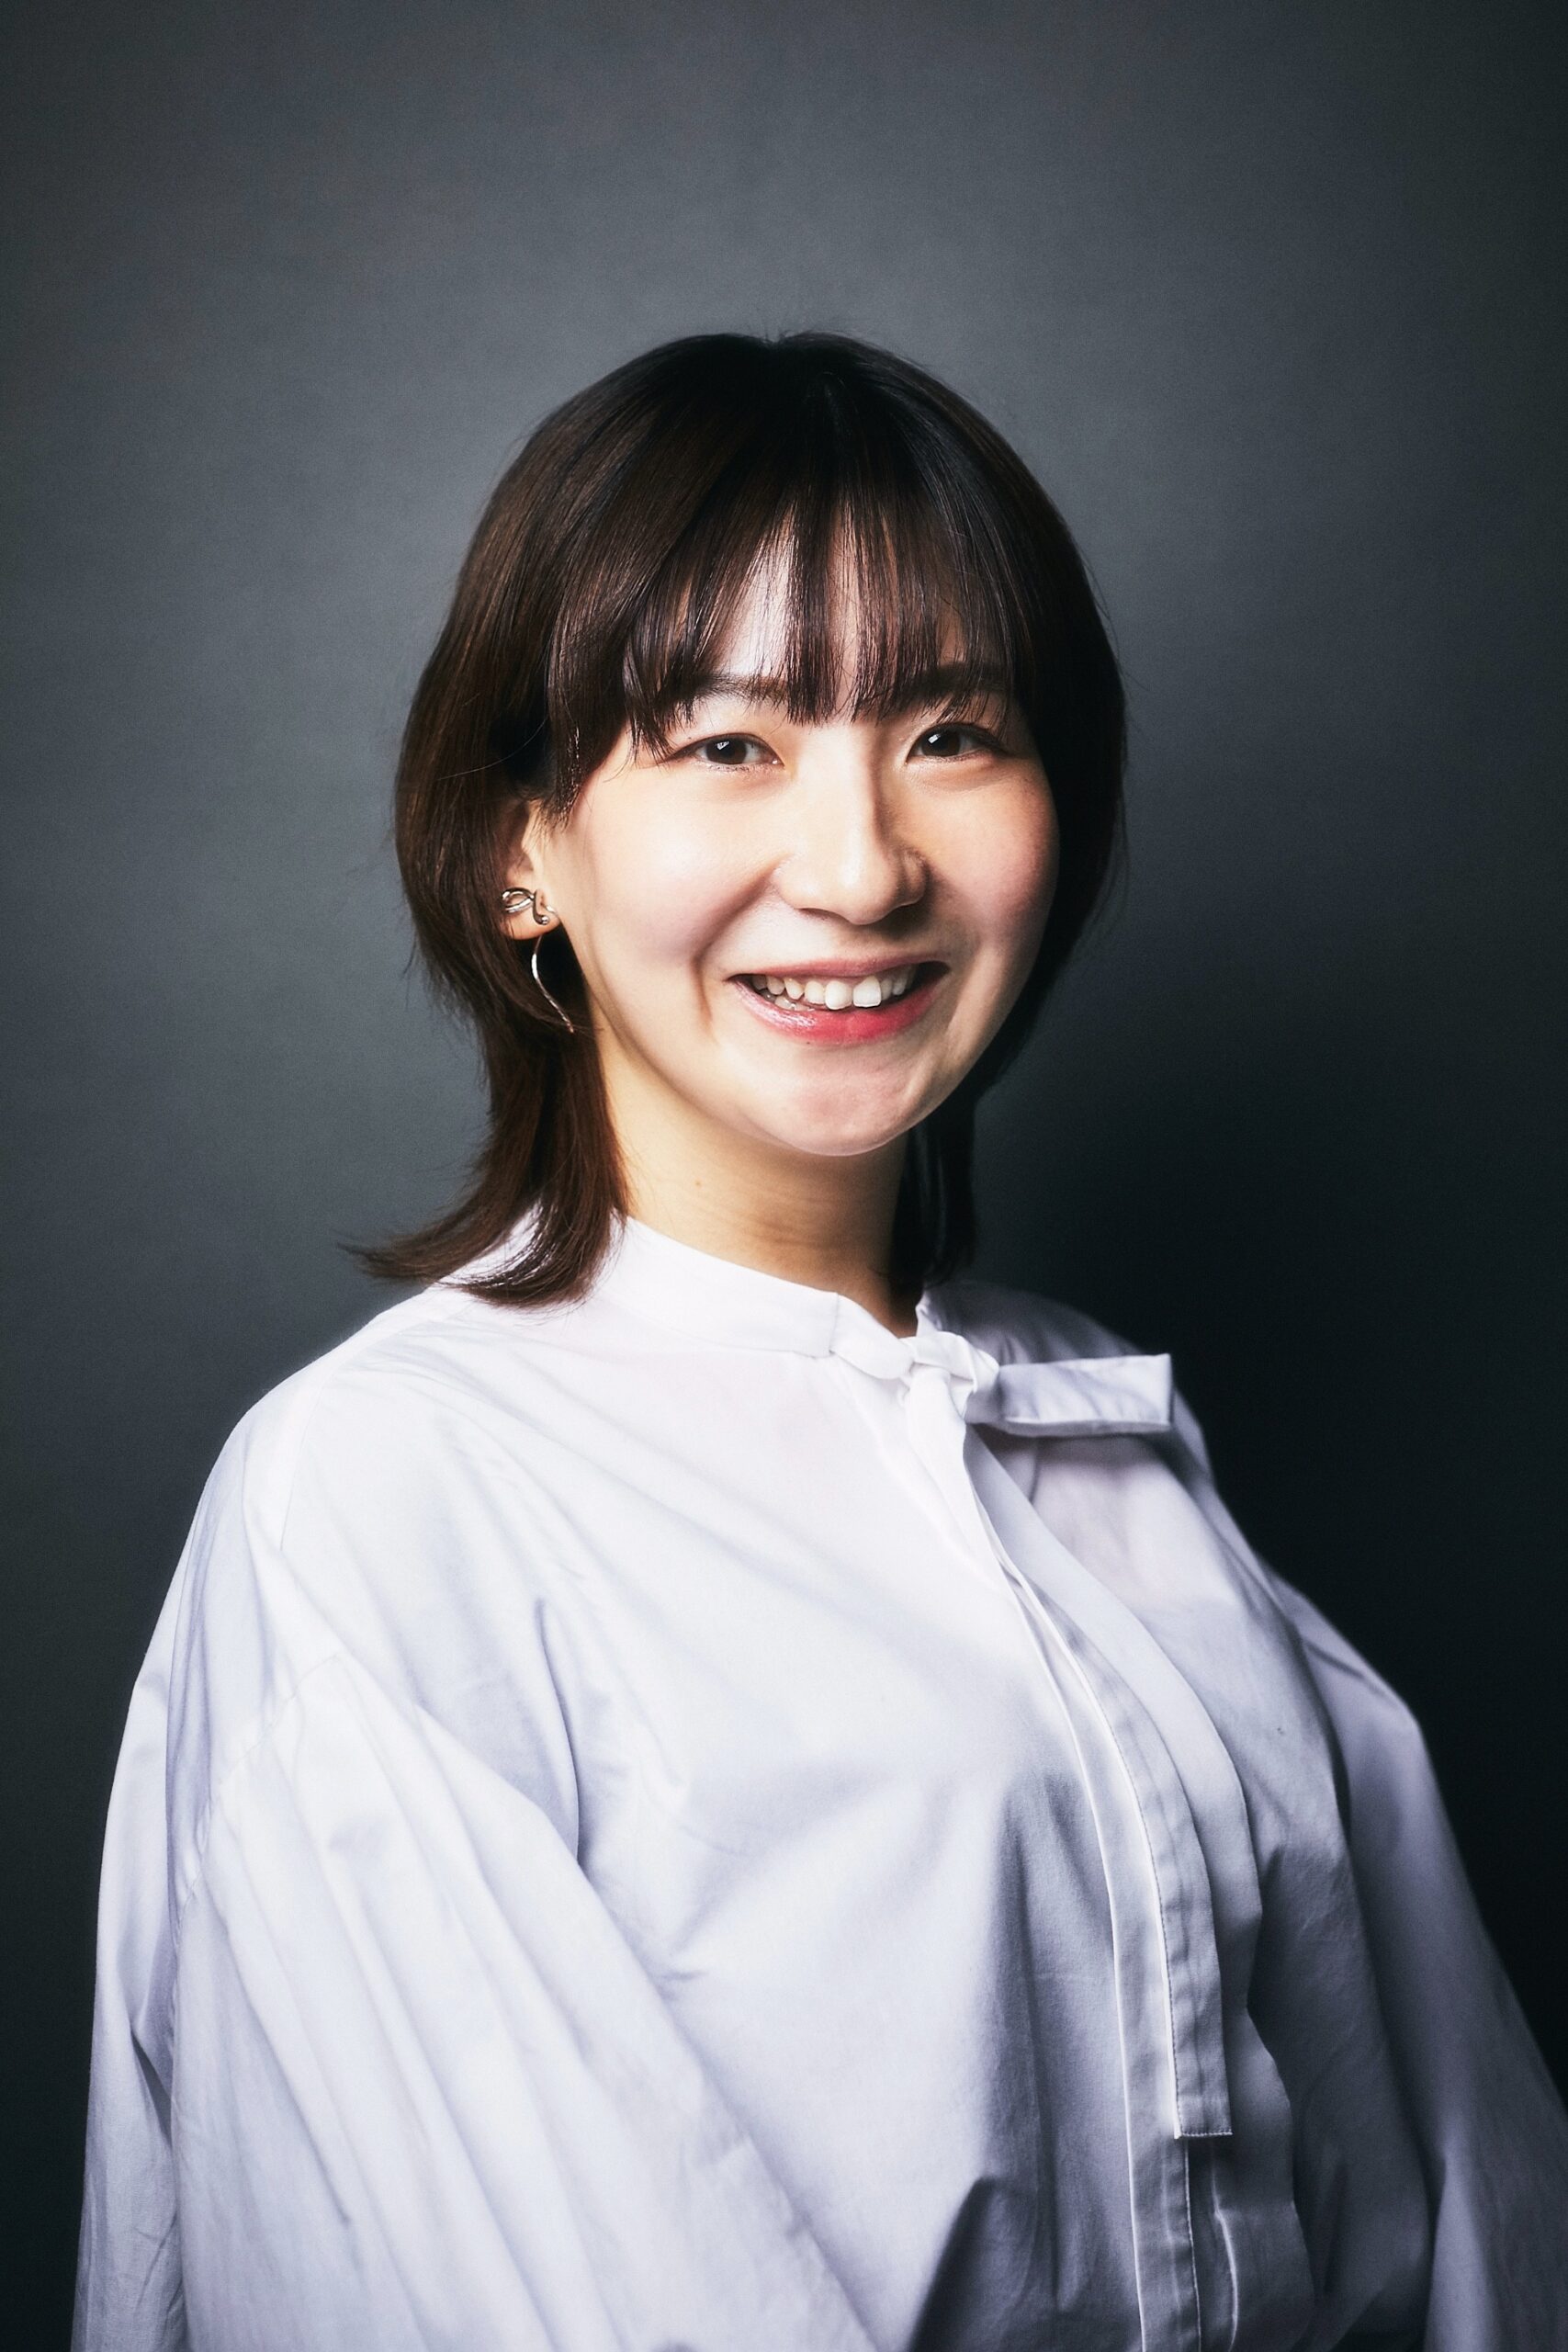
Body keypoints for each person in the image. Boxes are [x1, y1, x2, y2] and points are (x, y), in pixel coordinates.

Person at [73, 332, 1568, 2352]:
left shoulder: (1097, 1434)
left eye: (952, 731)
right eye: (725, 743)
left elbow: (1473, 2207)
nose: (861, 868)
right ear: (519, 847)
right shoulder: (387, 1496)